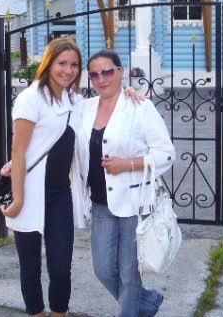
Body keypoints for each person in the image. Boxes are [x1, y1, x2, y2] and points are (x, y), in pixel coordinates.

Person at [71, 49, 175, 317]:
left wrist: (129, 164)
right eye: (95, 75)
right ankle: (147, 301)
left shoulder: (139, 107)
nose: (102, 79)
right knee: (103, 269)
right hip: (100, 203)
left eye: (107, 72)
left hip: (135, 203)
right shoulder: (83, 108)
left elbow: (166, 153)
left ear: (120, 71)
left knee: (129, 273)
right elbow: (53, 111)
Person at [1, 37, 83, 317]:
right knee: (30, 266)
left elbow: (107, 104)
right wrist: (18, 199)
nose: (68, 70)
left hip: (60, 195)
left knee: (61, 268)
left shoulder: (75, 101)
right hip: (29, 191)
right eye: (62, 63)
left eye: (74, 65)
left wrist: (129, 92)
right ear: (49, 63)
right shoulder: (31, 98)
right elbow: (18, 150)